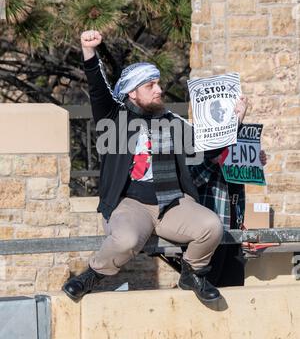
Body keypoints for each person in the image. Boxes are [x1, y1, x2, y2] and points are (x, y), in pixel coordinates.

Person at [63, 29, 247, 304]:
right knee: (124, 241)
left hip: (170, 202)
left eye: (159, 84)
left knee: (211, 225)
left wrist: (236, 122)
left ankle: (192, 274)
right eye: (151, 86)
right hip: (131, 203)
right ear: (133, 93)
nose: (160, 90)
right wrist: (90, 53)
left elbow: (207, 149)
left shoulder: (171, 121)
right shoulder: (115, 117)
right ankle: (90, 275)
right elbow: (98, 90)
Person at [190, 149, 267, 287]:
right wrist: (210, 162)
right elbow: (190, 181)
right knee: (207, 287)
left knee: (235, 289)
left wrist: (255, 161)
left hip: (234, 232)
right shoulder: (197, 141)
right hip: (209, 235)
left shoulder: (237, 142)